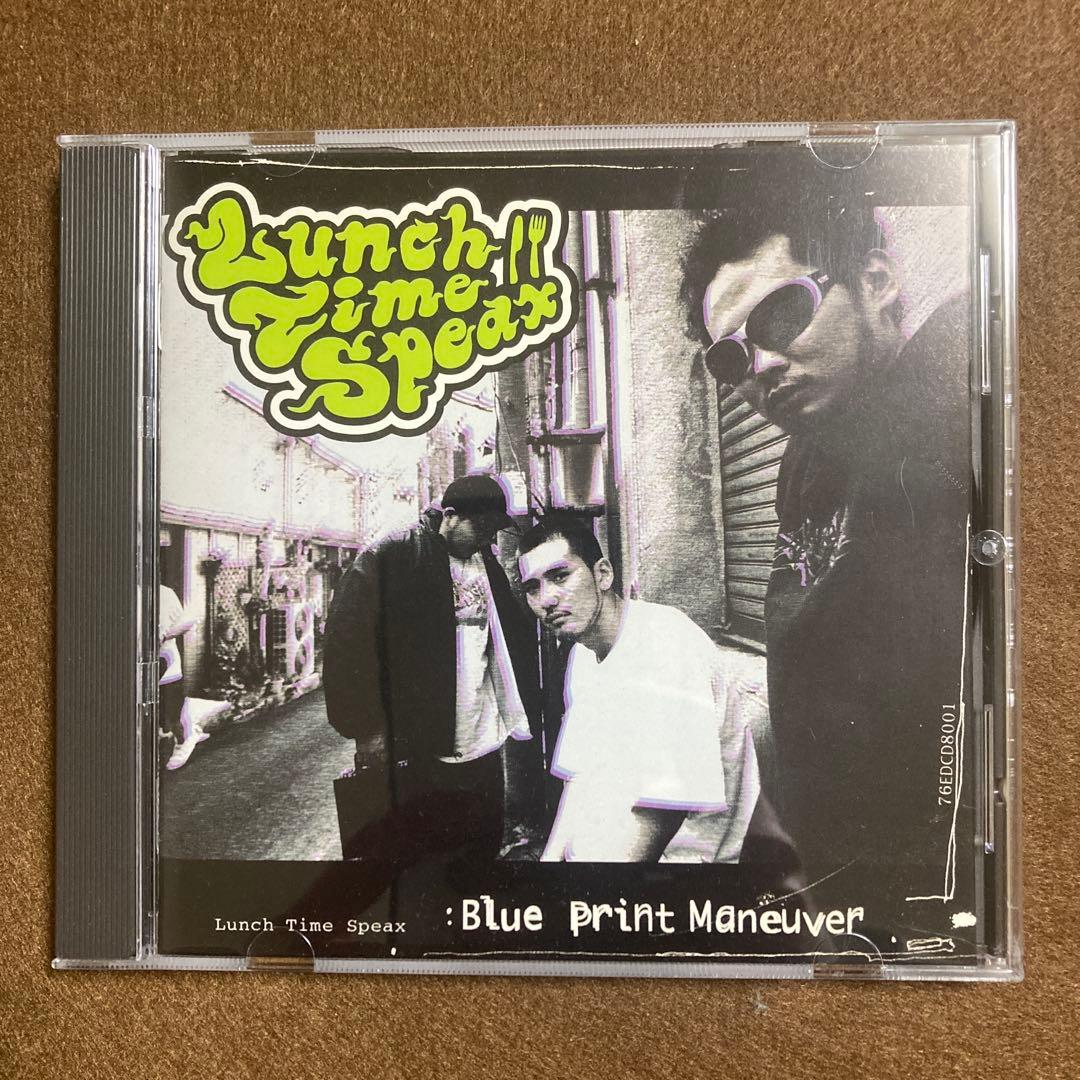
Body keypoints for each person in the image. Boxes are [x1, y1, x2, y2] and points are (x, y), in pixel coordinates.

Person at [681, 194, 971, 908]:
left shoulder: (970, 408)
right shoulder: (803, 460)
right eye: (731, 357)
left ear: (875, 281)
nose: (759, 367)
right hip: (842, 876)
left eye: (781, 318)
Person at [323, 474, 542, 863]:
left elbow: (507, 638)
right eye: (482, 527)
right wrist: (366, 729)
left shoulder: (485, 563)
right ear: (450, 515)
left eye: (493, 530)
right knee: (423, 857)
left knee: (480, 849)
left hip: (482, 739)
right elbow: (347, 644)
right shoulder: (395, 554)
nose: (487, 538)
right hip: (420, 743)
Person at [516, 516, 760, 863]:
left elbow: (660, 811)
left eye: (560, 576)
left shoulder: (665, 643)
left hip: (683, 865)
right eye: (532, 588)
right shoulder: (583, 654)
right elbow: (580, 776)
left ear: (603, 574)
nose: (547, 599)